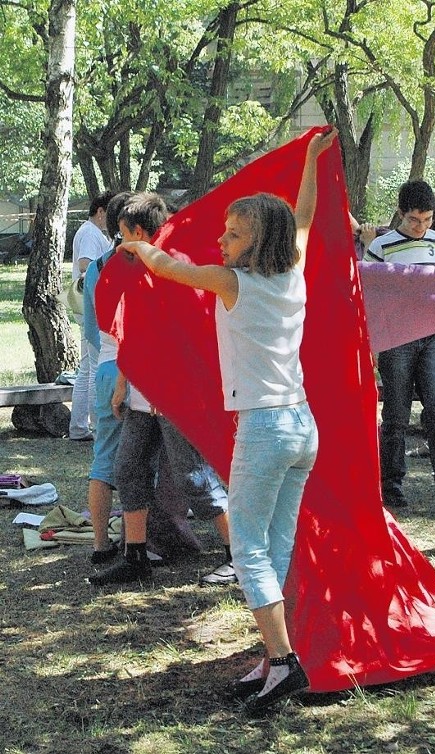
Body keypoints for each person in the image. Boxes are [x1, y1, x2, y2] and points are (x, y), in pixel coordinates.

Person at [110, 129, 337, 713]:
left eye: (233, 234)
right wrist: (309, 163)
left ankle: (284, 664)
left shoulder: (232, 282)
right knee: (277, 545)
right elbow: (304, 217)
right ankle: (273, 655)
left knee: (251, 552)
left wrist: (138, 249)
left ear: (257, 242)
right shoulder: (293, 273)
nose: (222, 238)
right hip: (301, 426)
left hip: (264, 429)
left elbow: (165, 266)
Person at [88, 193, 234, 585]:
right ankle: (135, 556)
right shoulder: (137, 271)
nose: (119, 245)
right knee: (128, 468)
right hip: (141, 394)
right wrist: (122, 382)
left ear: (137, 232)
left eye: (122, 236)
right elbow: (132, 334)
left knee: (195, 477)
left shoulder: (177, 268)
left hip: (175, 396)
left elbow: (191, 337)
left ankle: (238, 554)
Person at [362, 180, 435, 515]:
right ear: (400, 213)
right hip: (396, 339)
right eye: (414, 220)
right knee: (395, 414)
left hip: (432, 337)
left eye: (426, 220)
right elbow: (368, 293)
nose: (421, 227)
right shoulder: (381, 246)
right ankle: (391, 487)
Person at [83, 191, 134, 562]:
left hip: (104, 364)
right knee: (138, 464)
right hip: (133, 368)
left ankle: (101, 544)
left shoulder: (95, 269)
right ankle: (140, 544)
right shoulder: (142, 264)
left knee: (103, 460)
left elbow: (89, 328)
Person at [69, 191, 115, 440]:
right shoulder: (90, 233)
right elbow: (87, 265)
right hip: (90, 304)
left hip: (88, 305)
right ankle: (96, 426)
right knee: (95, 365)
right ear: (100, 212)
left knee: (87, 367)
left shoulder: (94, 233)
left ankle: (79, 426)